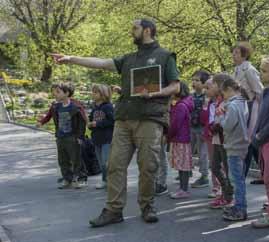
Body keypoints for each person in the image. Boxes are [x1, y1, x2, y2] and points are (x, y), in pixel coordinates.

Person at [51, 18, 180, 226]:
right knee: (114, 165)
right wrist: (71, 58)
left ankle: (147, 206)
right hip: (123, 119)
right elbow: (101, 63)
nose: (131, 31)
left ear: (147, 31)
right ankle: (113, 210)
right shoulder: (128, 59)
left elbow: (175, 87)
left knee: (148, 166)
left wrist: (156, 92)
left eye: (135, 28)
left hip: (150, 119)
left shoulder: (165, 56)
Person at [37, 84, 89, 187]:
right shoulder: (55, 106)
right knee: (63, 160)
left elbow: (81, 123)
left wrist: (79, 137)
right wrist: (41, 122)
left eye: (57, 92)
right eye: (54, 92)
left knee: (76, 159)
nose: (54, 94)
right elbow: (48, 116)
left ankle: (81, 178)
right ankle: (67, 179)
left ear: (67, 93)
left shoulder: (75, 107)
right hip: (60, 137)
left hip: (72, 137)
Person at [232, 42, 264, 183]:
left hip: (251, 108)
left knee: (248, 141)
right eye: (233, 52)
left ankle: (241, 177)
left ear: (244, 55)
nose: (233, 55)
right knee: (254, 144)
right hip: (241, 107)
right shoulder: (237, 69)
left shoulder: (249, 70)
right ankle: (265, 173)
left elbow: (259, 92)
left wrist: (261, 114)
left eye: (237, 53)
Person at [219, 74, 249, 221]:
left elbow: (228, 125)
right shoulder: (243, 103)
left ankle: (240, 209)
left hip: (234, 145)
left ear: (229, 89)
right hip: (242, 144)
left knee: (236, 179)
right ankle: (239, 205)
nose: (223, 96)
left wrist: (221, 117)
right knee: (239, 178)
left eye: (223, 93)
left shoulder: (232, 105)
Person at [252, 56, 269, 228]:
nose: (261, 73)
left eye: (265, 70)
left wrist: (259, 136)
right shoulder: (267, 92)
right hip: (265, 142)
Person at [208, 74, 234, 209]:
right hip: (216, 140)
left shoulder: (227, 102)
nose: (211, 87)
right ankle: (225, 191)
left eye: (214, 84)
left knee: (227, 168)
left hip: (224, 141)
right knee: (214, 166)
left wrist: (216, 126)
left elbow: (225, 121)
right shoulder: (217, 101)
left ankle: (228, 196)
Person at [168, 82, 194, 199]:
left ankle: (184, 189)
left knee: (182, 165)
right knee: (182, 165)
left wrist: (168, 135)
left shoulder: (180, 106)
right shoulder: (181, 104)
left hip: (180, 139)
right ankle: (182, 188)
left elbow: (175, 124)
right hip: (182, 138)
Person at [88, 83, 114, 189]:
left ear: (103, 94)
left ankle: (110, 181)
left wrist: (97, 124)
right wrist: (90, 124)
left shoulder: (108, 107)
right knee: (100, 162)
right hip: (96, 138)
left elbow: (112, 121)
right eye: (93, 92)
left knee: (106, 162)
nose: (93, 94)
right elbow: (91, 120)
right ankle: (105, 180)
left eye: (95, 92)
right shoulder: (94, 108)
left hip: (107, 138)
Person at [190, 70, 210, 188]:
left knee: (203, 154)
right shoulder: (191, 95)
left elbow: (207, 113)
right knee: (188, 151)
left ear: (204, 83)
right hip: (191, 127)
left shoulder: (206, 96)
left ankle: (204, 176)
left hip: (202, 128)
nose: (194, 82)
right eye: (193, 80)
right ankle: (186, 171)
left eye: (197, 80)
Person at [203, 78, 221, 198]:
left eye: (208, 88)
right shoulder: (208, 103)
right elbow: (204, 119)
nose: (205, 90)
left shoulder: (222, 102)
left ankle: (221, 186)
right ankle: (215, 186)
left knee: (221, 163)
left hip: (219, 135)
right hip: (210, 136)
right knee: (213, 162)